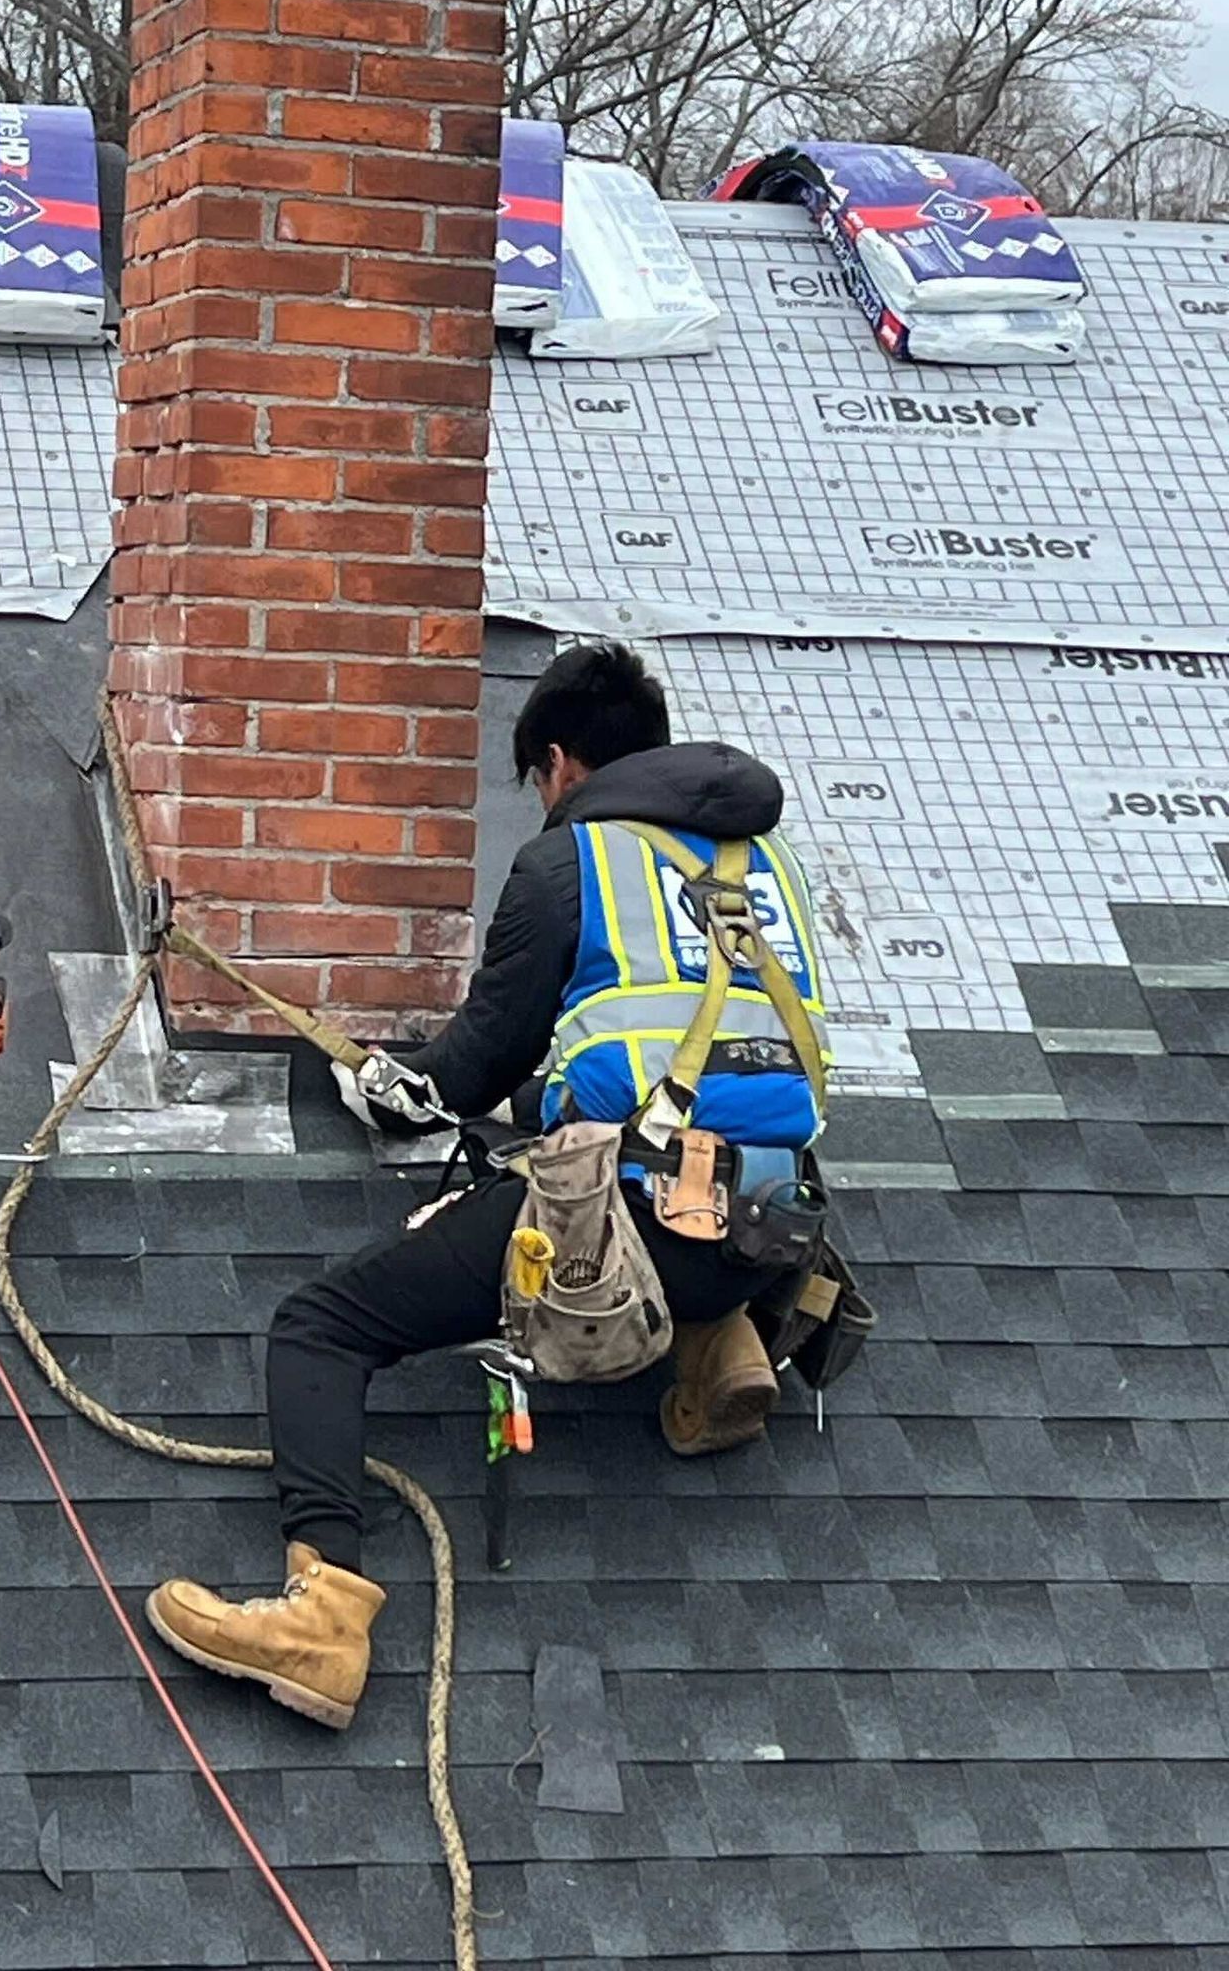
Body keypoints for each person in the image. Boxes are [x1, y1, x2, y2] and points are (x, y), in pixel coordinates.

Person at [145, 639, 831, 1730]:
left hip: (628, 1221)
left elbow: (471, 1068)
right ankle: (719, 1344)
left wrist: (383, 1082)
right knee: (661, 1188)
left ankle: (322, 1613)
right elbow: (666, 1055)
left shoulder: (574, 862)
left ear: (559, 764)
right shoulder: (763, 866)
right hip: (773, 1220)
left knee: (321, 1327)